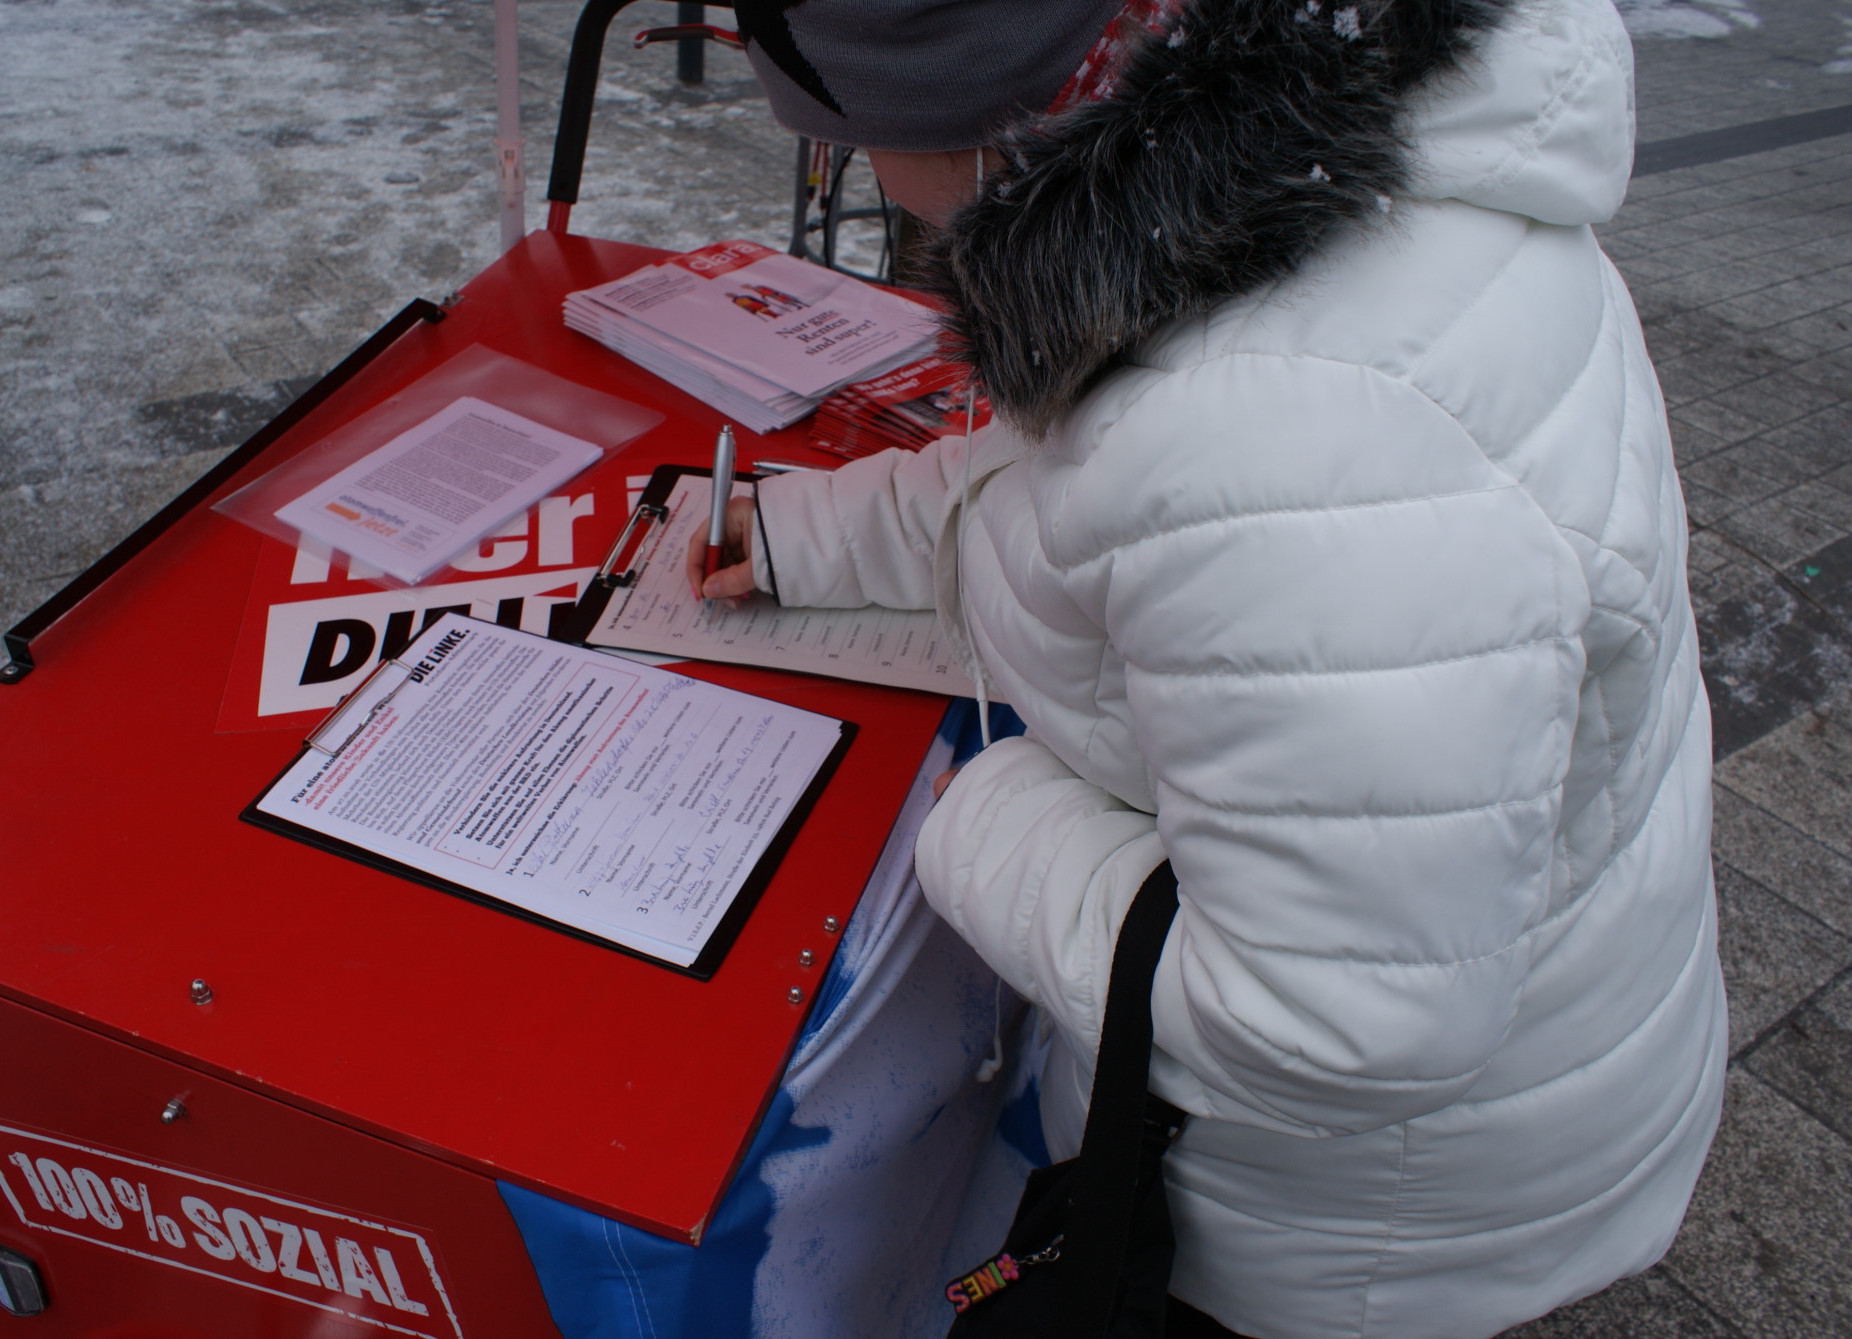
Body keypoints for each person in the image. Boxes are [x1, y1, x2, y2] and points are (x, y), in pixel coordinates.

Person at [691, 0, 1727, 1335]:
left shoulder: (1294, 432)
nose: (871, 181)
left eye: (856, 130)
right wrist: (792, 537)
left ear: (979, 99)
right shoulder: (1261, 192)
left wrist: (979, 823)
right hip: (1507, 1032)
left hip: (1365, 1229)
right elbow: (1064, 475)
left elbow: (1328, 1018)